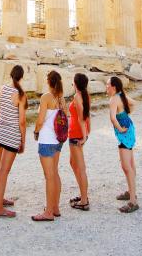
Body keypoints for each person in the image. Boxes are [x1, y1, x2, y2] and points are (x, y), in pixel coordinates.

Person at [32, 70, 67, 221]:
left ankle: (48, 213)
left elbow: (40, 120)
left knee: (49, 176)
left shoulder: (46, 97)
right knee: (55, 173)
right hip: (58, 140)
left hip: (46, 139)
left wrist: (35, 131)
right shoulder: (61, 99)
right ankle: (55, 207)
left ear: (48, 81)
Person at [0, 65, 27, 217]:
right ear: (21, 77)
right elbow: (22, 121)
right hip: (12, 135)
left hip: (0, 132)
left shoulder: (1, 89)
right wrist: (23, 141)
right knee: (4, 172)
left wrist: (1, 126)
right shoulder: (20, 94)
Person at [107, 76, 139, 213]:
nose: (106, 87)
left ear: (113, 87)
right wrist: (127, 114)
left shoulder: (114, 99)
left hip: (124, 133)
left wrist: (120, 129)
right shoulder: (122, 95)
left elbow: (112, 118)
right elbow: (134, 103)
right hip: (130, 129)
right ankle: (131, 193)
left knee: (126, 167)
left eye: (107, 85)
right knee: (130, 164)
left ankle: (133, 201)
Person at [69, 73, 91, 211]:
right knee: (73, 163)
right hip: (79, 133)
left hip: (77, 134)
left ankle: (84, 201)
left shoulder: (78, 96)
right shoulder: (85, 95)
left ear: (76, 83)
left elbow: (82, 118)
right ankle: (83, 194)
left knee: (80, 167)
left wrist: (83, 136)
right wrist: (88, 131)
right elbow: (87, 115)